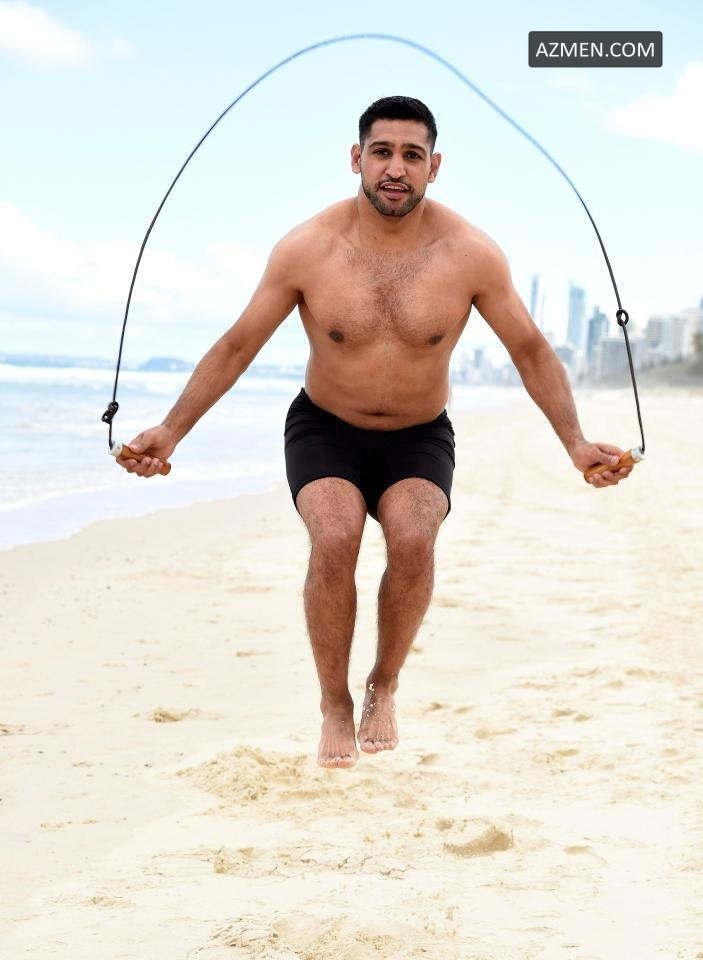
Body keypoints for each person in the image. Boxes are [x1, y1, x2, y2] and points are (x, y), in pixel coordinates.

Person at [116, 96, 632, 769]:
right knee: (335, 536)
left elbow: (530, 350)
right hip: (324, 427)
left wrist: (575, 444)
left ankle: (381, 685)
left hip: (419, 433)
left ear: (433, 167)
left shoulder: (471, 254)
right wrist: (172, 429)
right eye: (382, 152)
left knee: (414, 538)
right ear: (356, 158)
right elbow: (238, 345)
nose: (395, 168)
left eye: (412, 155)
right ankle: (333, 702)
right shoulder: (307, 248)